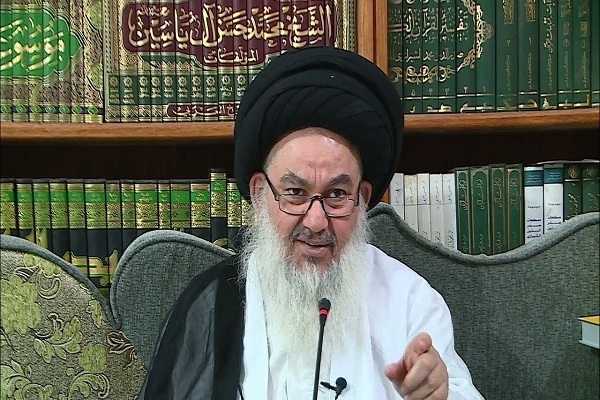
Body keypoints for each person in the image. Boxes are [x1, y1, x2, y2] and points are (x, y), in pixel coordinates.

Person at [138, 46, 484, 400]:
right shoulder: (209, 305)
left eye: (337, 194)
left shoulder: (410, 302)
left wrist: (440, 395)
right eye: (295, 193)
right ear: (259, 194)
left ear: (362, 199)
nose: (317, 221)